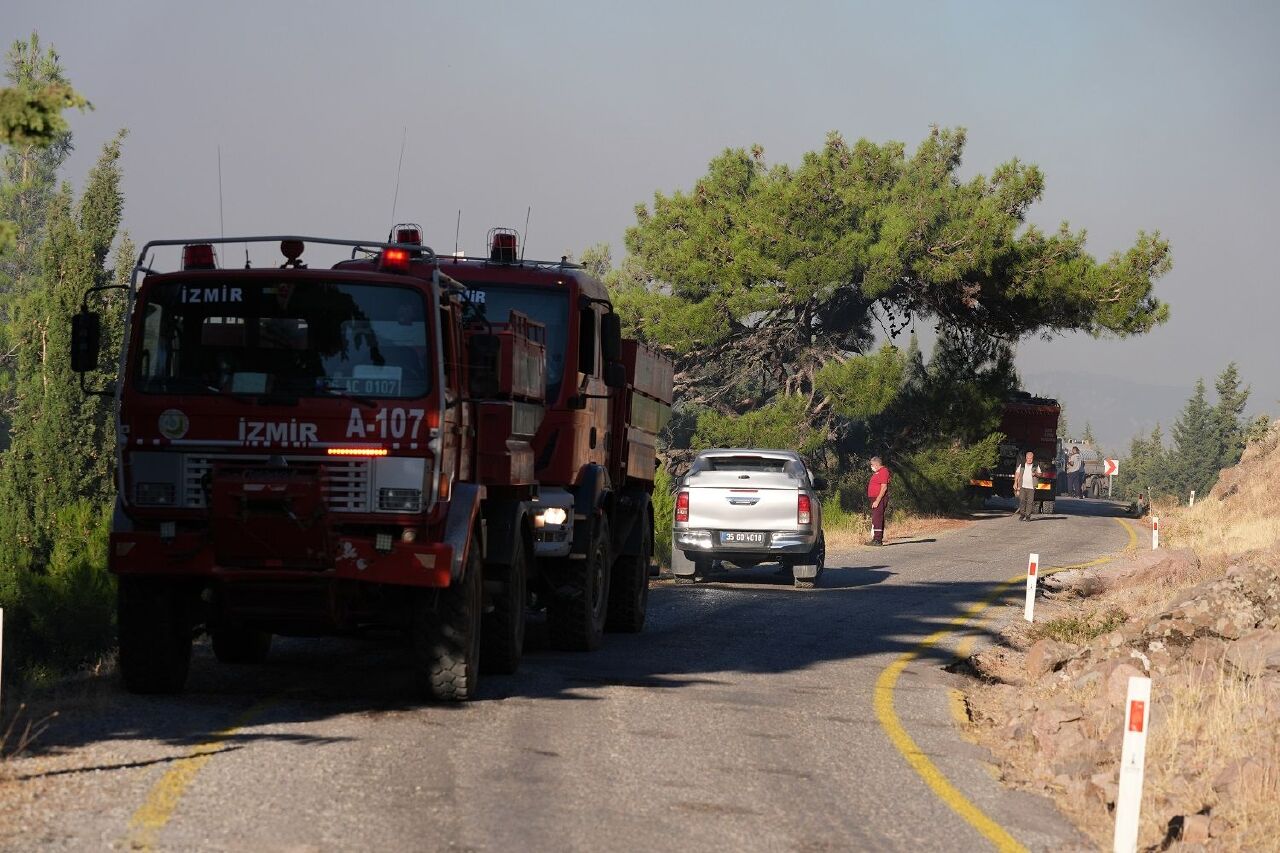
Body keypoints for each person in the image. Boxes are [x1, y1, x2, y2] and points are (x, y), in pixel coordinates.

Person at [867, 456, 890, 545]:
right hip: (874, 498)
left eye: (872, 465)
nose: (871, 466)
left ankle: (878, 539)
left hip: (879, 498)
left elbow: (884, 487)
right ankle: (875, 538)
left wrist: (877, 500)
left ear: (876, 464)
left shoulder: (884, 471)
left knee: (878, 517)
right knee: (875, 518)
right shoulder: (878, 472)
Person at [1014, 450, 1042, 521]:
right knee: (1022, 500)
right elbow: (1017, 473)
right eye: (1028, 458)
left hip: (1031, 487)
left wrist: (1035, 474)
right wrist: (1015, 482)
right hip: (1022, 486)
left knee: (1030, 502)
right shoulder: (1022, 465)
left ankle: (1028, 516)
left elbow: (1040, 474)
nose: (1029, 460)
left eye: (1031, 458)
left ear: (1033, 458)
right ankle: (1022, 514)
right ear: (1026, 458)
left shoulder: (1035, 465)